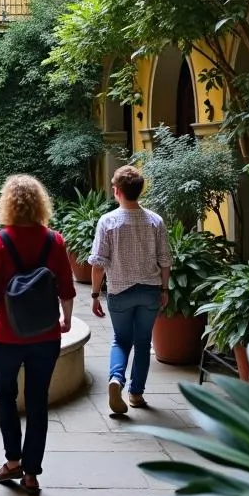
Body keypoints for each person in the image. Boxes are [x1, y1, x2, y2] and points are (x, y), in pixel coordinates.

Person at [0, 174, 76, 496]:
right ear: (40, 203)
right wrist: (67, 319)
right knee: (37, 402)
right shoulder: (55, 240)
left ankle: (13, 461)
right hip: (46, 336)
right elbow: (66, 287)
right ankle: (32, 473)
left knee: (5, 396)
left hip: (7, 335)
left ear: (8, 204)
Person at [89, 164, 171, 415]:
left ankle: (116, 380)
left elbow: (98, 263)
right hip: (149, 291)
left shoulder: (108, 221)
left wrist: (94, 295)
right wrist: (165, 289)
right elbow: (165, 260)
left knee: (121, 340)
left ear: (117, 191)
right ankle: (136, 394)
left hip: (120, 291)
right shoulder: (155, 220)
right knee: (143, 342)